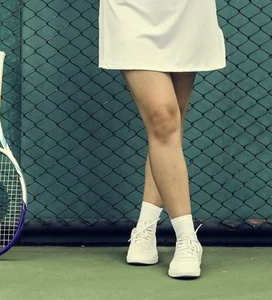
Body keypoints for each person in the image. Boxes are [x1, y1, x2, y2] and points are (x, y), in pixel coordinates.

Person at [98, 0, 226, 278]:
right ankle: (187, 238)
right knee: (163, 117)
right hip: (130, 9)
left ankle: (145, 228)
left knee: (170, 126)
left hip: (187, 11)